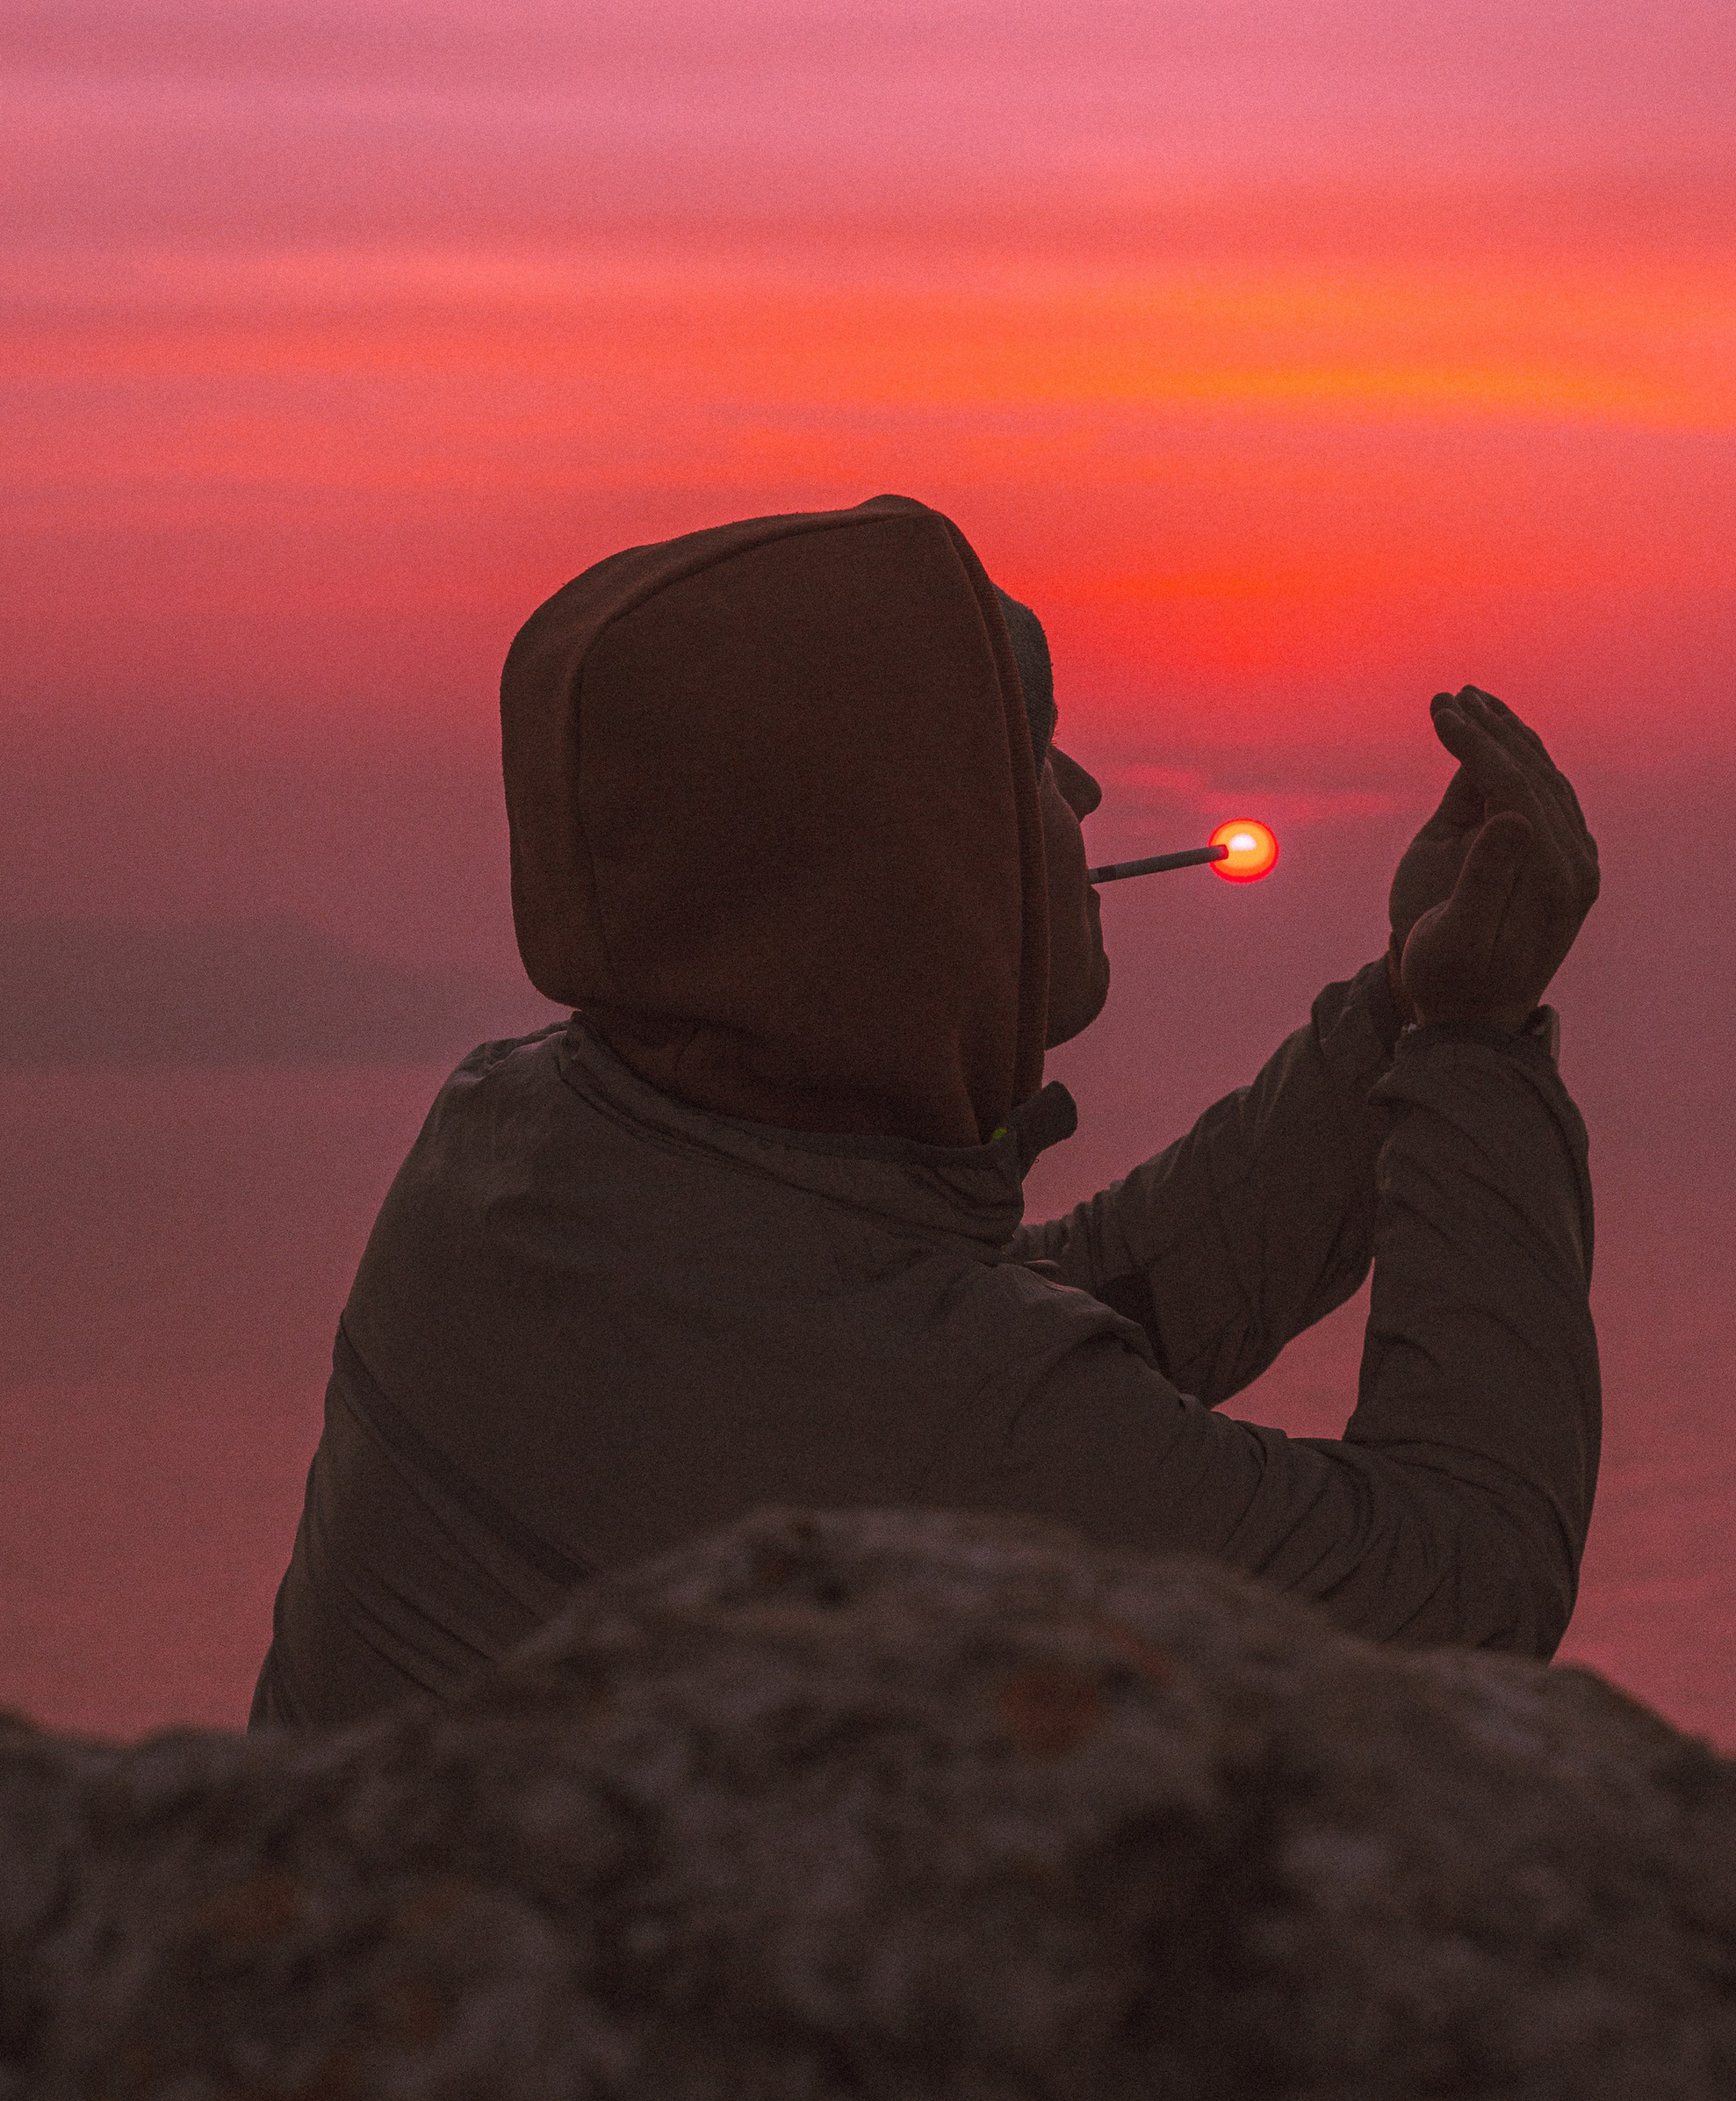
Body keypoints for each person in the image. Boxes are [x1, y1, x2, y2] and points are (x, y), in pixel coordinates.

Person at [249, 494, 1600, 1729]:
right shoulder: (909, 1400)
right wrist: (1476, 1046)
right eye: (1032, 755)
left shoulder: (518, 1140)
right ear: (909, 862)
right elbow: (1467, 1584)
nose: (1084, 794)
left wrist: (1402, 1014)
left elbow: (1047, 1325)